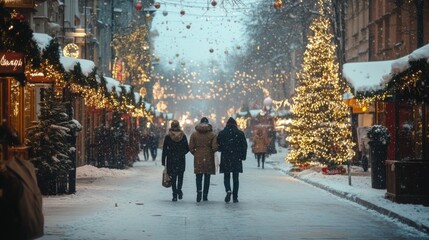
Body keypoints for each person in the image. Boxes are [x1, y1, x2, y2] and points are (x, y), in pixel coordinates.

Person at [217, 117, 247, 203]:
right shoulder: (240, 133)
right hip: (236, 158)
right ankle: (235, 197)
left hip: (225, 157)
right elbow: (244, 146)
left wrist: (221, 149)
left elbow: (218, 144)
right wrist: (243, 156)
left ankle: (228, 190)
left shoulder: (222, 133)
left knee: (226, 176)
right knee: (236, 178)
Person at [188, 117, 218, 202]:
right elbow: (215, 147)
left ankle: (199, 191)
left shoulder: (194, 134)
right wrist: (211, 151)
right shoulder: (212, 134)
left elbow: (190, 147)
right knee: (207, 176)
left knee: (198, 176)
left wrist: (196, 153)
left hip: (198, 157)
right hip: (209, 157)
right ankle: (205, 195)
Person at [161, 120, 189, 201]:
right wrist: (181, 153)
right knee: (180, 176)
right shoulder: (183, 136)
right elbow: (187, 148)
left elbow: (164, 150)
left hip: (171, 159)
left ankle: (174, 194)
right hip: (181, 159)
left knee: (173, 177)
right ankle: (179, 190)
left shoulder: (168, 137)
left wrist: (163, 160)